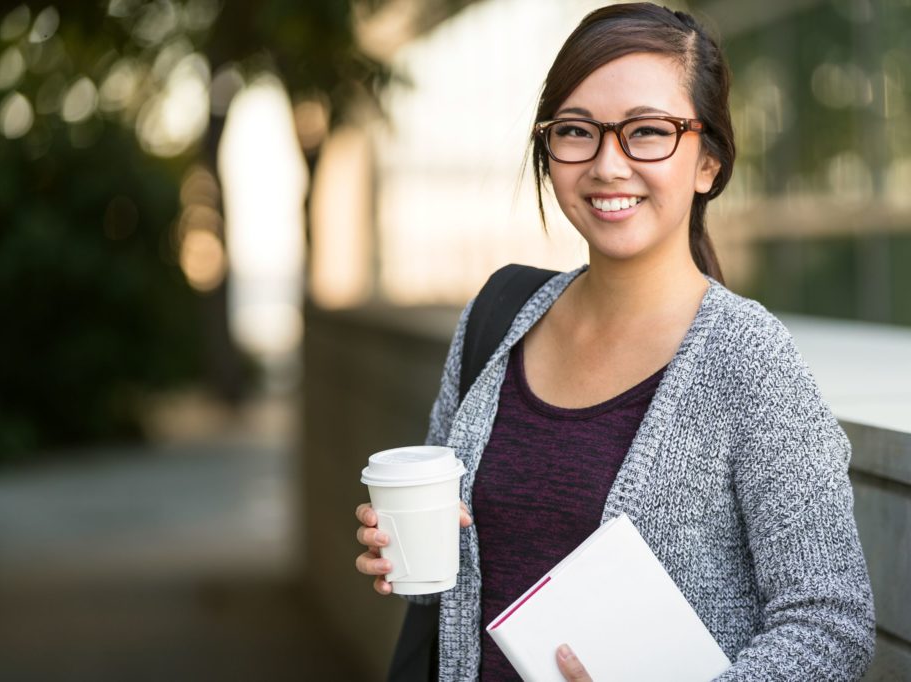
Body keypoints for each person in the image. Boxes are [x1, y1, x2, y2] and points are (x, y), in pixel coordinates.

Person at [355, 3, 876, 680]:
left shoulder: (749, 360)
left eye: (647, 132)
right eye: (577, 131)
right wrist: (400, 552)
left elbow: (831, 622)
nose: (607, 164)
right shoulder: (498, 316)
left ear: (708, 163)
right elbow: (457, 573)